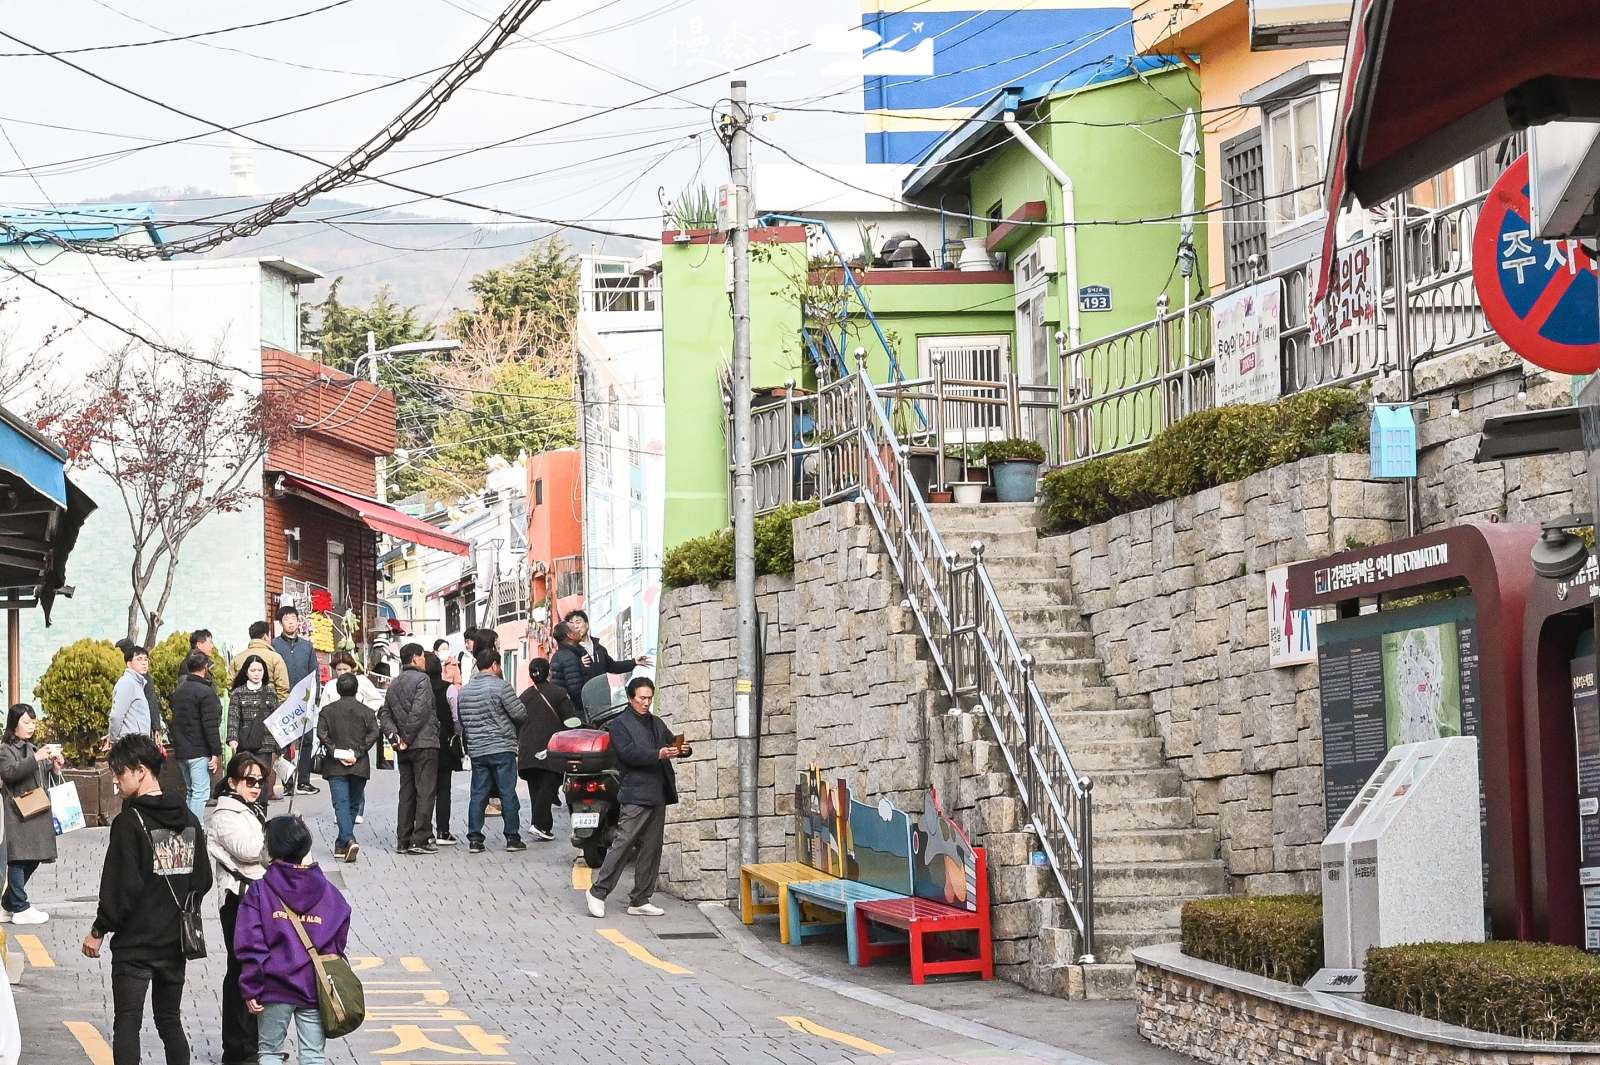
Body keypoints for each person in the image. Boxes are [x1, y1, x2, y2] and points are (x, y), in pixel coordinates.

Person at [83, 734, 213, 1065]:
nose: (115, 780)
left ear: (141, 771)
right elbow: (203, 879)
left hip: (135, 945)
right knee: (169, 1021)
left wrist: (99, 930)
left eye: (119, 772)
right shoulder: (188, 818)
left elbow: (121, 888)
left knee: (128, 1020)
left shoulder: (129, 823)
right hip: (174, 943)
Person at [235, 816, 352, 1065]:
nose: (263, 848)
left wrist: (251, 986)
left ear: (275, 847)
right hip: (315, 986)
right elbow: (338, 936)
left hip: (273, 986)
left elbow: (251, 944)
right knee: (313, 1055)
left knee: (270, 1053)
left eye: (266, 842)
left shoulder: (259, 891)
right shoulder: (329, 891)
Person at [584, 678, 687, 919]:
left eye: (649, 698)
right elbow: (628, 754)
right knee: (623, 844)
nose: (646, 703)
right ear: (631, 698)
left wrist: (681, 749)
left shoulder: (656, 723)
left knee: (652, 848)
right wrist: (658, 754)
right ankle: (598, 892)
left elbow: (671, 742)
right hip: (635, 793)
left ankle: (640, 898)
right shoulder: (619, 724)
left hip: (658, 792)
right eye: (642, 698)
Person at [207, 753, 269, 1065]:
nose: (256, 786)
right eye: (250, 781)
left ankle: (251, 1045)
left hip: (256, 899)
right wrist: (276, 839)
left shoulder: (249, 808)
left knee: (256, 970)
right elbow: (248, 852)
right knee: (241, 972)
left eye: (260, 781)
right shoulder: (225, 814)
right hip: (237, 899)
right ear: (232, 782)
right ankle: (238, 1049)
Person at [457, 649, 527, 854]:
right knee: (507, 793)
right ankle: (512, 837)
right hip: (502, 747)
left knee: (478, 794)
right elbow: (520, 713)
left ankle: (475, 839)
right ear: (495, 665)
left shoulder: (466, 691)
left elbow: (462, 721)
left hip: (478, 749)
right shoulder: (501, 686)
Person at [0, 704, 60, 924]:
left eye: (33, 722)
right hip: (17, 809)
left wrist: (53, 766)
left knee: (35, 857)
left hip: (37, 809)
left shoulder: (34, 748)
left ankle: (8, 903)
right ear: (14, 723)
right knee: (18, 857)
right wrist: (36, 759)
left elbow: (41, 774)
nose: (31, 727)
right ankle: (20, 905)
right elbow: (9, 772)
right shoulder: (5, 749)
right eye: (26, 722)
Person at [378, 643, 439, 855]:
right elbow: (420, 711)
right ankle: (420, 838)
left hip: (404, 748)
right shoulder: (423, 680)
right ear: (414, 658)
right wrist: (407, 737)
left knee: (406, 792)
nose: (424, 661)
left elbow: (384, 714)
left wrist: (395, 736)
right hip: (424, 743)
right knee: (425, 791)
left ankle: (403, 839)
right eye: (422, 657)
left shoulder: (394, 683)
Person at [318, 673, 379, 863]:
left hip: (335, 765)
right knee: (353, 804)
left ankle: (344, 841)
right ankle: (346, 840)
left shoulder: (327, 711)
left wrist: (335, 751)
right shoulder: (367, 712)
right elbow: (374, 733)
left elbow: (322, 733)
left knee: (340, 803)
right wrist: (358, 752)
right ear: (356, 689)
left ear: (337, 689)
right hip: (359, 764)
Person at [318, 651, 382, 827]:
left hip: (356, 733)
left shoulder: (360, 682)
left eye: (345, 668)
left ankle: (357, 810)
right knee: (339, 778)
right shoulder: (331, 686)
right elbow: (323, 710)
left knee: (356, 774)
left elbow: (377, 699)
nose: (342, 672)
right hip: (337, 735)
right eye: (338, 669)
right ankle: (341, 812)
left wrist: (366, 712)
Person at [518, 659, 575, 843]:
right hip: (550, 748)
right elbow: (569, 721)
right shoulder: (559, 693)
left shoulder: (524, 696)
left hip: (527, 750)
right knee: (550, 781)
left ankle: (544, 827)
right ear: (549, 672)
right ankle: (539, 823)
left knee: (536, 786)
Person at [551, 611, 650, 709]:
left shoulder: (599, 649)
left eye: (578, 622)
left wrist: (634, 662)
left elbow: (612, 666)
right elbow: (575, 688)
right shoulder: (574, 653)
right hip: (586, 707)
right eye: (573, 625)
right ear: (569, 635)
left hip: (602, 700)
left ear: (587, 624)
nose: (576, 627)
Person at [169, 651, 224, 821]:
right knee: (200, 792)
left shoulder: (179, 691)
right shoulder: (205, 692)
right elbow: (210, 725)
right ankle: (196, 828)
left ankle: (189, 826)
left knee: (191, 791)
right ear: (205, 668)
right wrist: (216, 752)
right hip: (199, 750)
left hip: (182, 749)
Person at [272, 606, 320, 796]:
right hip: (282, 701)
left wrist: (315, 697)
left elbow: (314, 672)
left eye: (294, 618)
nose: (291, 622)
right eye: (286, 619)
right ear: (280, 623)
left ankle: (304, 781)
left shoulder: (307, 646)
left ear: (299, 621)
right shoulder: (275, 645)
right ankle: (288, 782)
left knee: (307, 740)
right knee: (283, 742)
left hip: (303, 701)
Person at [227, 656, 280, 798]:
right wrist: (233, 738)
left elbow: (277, 720)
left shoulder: (270, 693)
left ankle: (261, 811)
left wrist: (281, 746)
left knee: (262, 778)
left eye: (259, 670)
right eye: (253, 670)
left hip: (265, 743)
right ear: (246, 672)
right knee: (245, 778)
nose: (256, 673)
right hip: (244, 742)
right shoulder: (238, 693)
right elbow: (233, 717)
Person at [424, 652, 461, 846]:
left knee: (424, 789)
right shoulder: (450, 689)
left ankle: (424, 830)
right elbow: (456, 718)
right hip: (445, 743)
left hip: (422, 743)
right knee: (444, 788)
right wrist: (456, 735)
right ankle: (443, 831)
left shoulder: (419, 688)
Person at [230, 622, 291, 699]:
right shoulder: (275, 658)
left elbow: (230, 685)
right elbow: (283, 689)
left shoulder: (237, 658)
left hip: (244, 705)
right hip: (268, 705)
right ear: (265, 637)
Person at [108, 644, 155, 744]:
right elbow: (116, 716)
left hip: (139, 742)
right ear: (129, 664)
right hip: (130, 744)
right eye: (139, 659)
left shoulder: (138, 683)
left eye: (146, 659)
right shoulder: (127, 683)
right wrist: (112, 739)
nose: (144, 663)